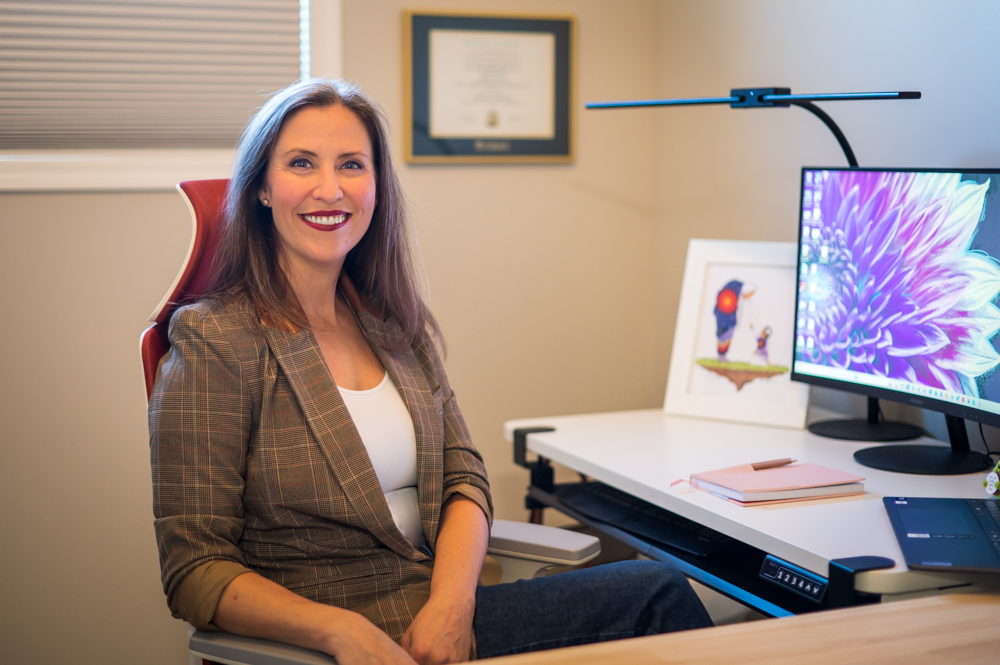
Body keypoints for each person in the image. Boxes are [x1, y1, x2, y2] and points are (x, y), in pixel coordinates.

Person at [149, 78, 711, 665]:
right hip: (325, 647)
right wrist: (340, 632)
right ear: (262, 187)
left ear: (376, 187)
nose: (329, 188)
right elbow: (195, 568)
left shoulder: (390, 322)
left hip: (440, 619)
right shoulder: (217, 337)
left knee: (658, 591)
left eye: (351, 165)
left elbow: (464, 475)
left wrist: (452, 603)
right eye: (300, 164)